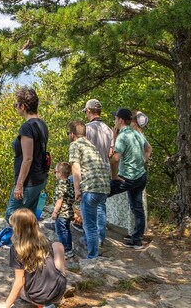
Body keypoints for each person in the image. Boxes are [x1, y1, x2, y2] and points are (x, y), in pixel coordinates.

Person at [0, 208, 67, 308]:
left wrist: (6, 305)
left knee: (17, 287)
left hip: (38, 295)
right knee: (58, 245)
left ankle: (42, 307)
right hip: (59, 289)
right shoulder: (44, 240)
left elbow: (20, 281)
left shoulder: (17, 249)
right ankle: (58, 281)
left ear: (18, 229)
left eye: (13, 227)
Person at [4, 87, 49, 222]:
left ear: (23, 106)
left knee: (11, 216)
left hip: (28, 181)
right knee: (29, 216)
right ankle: (29, 242)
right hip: (39, 178)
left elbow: (27, 158)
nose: (16, 107)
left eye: (16, 104)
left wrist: (19, 185)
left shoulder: (27, 127)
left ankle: (21, 242)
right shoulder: (42, 124)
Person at [110, 108, 152, 249]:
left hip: (127, 178)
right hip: (140, 176)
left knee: (99, 194)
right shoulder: (136, 133)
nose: (114, 121)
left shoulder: (123, 136)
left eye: (115, 118)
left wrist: (114, 176)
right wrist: (143, 161)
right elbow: (148, 148)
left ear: (121, 120)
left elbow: (115, 159)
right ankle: (137, 240)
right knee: (137, 208)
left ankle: (93, 235)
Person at [68, 121, 111, 259]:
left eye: (69, 133)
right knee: (99, 213)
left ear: (73, 134)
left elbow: (75, 167)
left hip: (91, 188)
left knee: (89, 225)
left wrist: (76, 189)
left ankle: (93, 257)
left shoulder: (75, 145)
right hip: (104, 186)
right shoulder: (91, 145)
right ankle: (99, 241)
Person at [51, 162, 75, 259]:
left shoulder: (61, 184)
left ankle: (65, 250)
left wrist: (55, 212)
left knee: (61, 231)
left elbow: (59, 199)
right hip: (69, 212)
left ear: (60, 173)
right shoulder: (70, 182)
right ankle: (69, 248)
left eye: (55, 172)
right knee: (67, 230)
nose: (55, 174)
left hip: (62, 213)